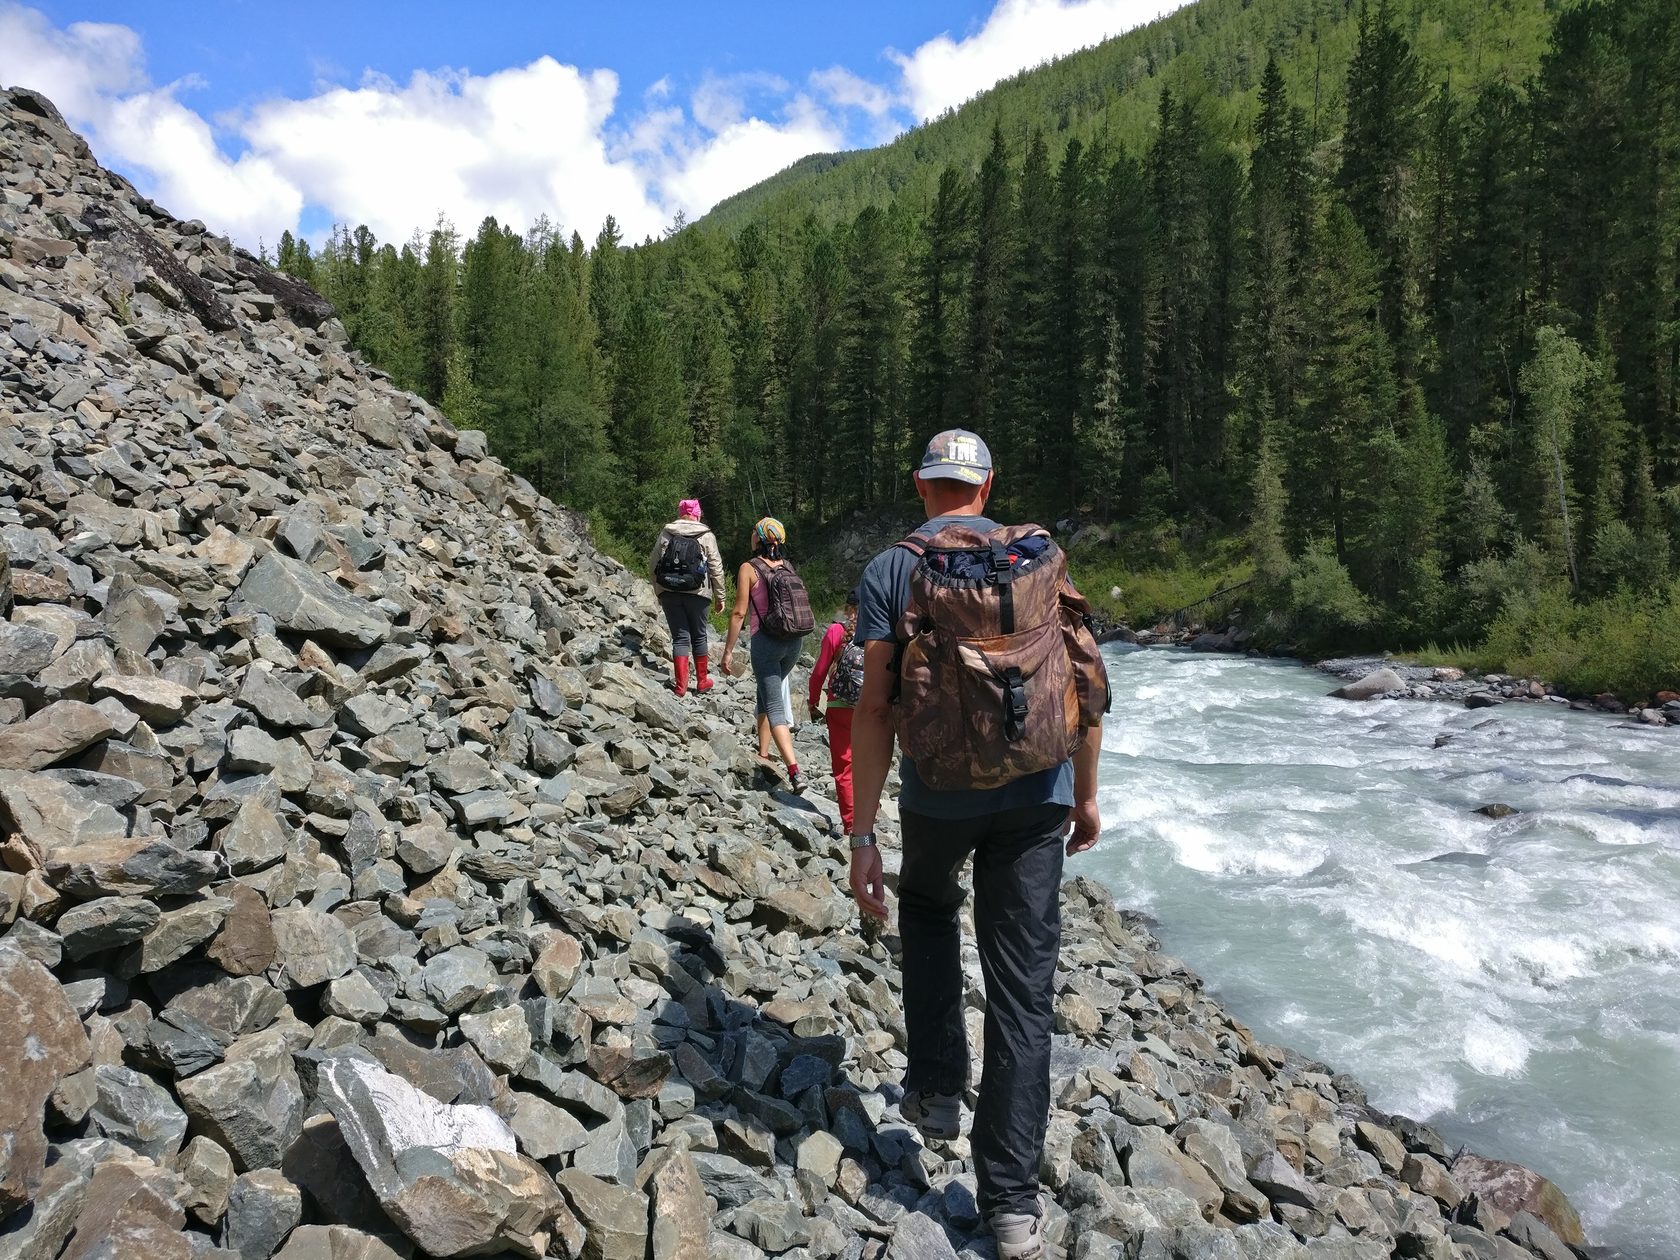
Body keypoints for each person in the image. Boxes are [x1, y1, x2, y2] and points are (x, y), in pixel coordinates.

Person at [847, 430, 1107, 1260]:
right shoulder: (1040, 560)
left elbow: (877, 708)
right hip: (1039, 797)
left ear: (921, 486)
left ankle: (934, 1088)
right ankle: (1011, 1207)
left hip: (939, 798)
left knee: (925, 905)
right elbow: (1087, 684)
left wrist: (861, 831)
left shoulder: (893, 569)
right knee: (1023, 992)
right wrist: (1088, 795)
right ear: (987, 484)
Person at [720, 517, 814, 793]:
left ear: (759, 538)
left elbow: (739, 612)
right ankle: (763, 751)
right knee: (767, 690)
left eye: (753, 533)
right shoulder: (788, 567)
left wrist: (727, 652)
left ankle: (795, 772)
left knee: (774, 706)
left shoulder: (748, 568)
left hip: (766, 643)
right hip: (793, 643)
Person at [650, 499, 726, 697]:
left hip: (669, 590)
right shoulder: (706, 535)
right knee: (699, 636)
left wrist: (658, 590)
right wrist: (720, 596)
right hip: (698, 593)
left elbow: (653, 563)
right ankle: (702, 682)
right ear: (697, 514)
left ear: (680, 512)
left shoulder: (667, 532)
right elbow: (716, 568)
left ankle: (680, 687)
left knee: (680, 639)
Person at [808, 589, 863, 833]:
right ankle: (867, 820)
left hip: (839, 706)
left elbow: (820, 671)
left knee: (844, 768)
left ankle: (851, 826)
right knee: (868, 764)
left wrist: (812, 700)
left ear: (847, 607)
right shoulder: (882, 631)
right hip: (871, 709)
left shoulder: (835, 631)